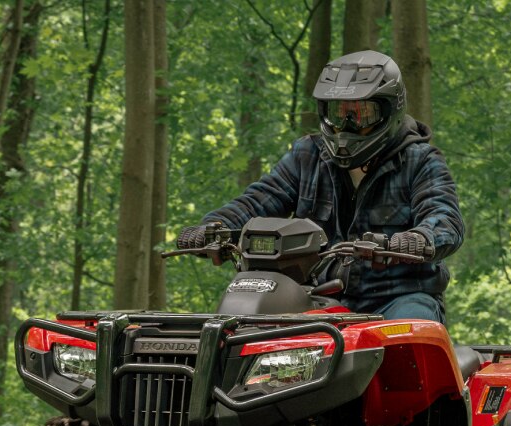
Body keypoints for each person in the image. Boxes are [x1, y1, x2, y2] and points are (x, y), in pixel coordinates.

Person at [176, 50, 464, 324]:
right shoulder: (308, 156)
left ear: (391, 110)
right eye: (338, 114)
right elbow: (258, 200)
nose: (346, 126)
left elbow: (444, 219)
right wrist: (214, 228)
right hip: (318, 296)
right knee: (250, 328)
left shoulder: (420, 161)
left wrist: (418, 238)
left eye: (361, 114)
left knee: (411, 330)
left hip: (397, 297)